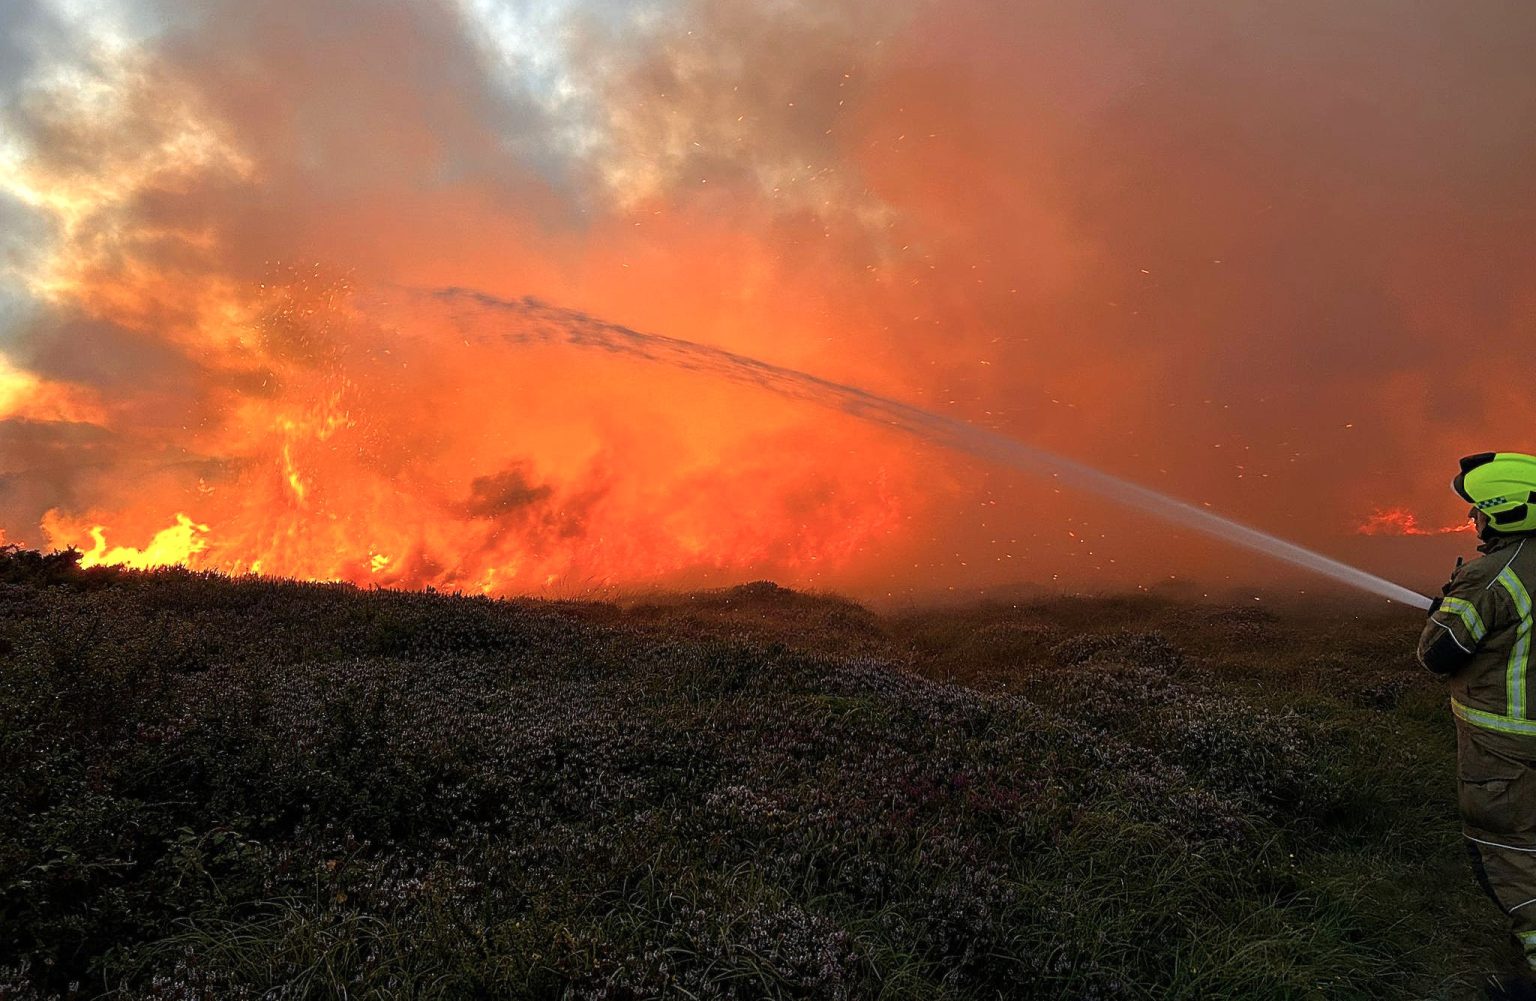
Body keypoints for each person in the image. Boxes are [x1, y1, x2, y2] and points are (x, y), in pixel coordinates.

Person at [1420, 452, 1536, 1000]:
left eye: (1479, 513)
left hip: (1506, 754)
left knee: (1514, 861)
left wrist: (1448, 604)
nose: (1474, 523)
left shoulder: (1494, 574)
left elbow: (1439, 653)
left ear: (1506, 512)